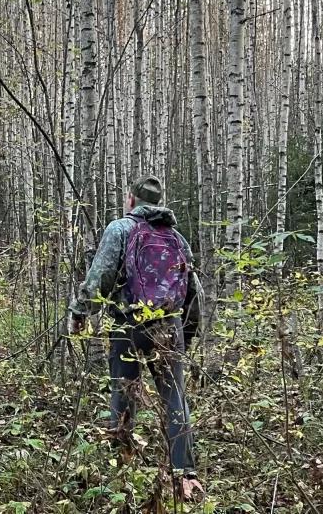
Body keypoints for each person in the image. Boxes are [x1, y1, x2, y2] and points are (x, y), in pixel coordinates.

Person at [68, 175, 204, 501]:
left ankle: (121, 465)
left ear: (131, 199)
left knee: (123, 392)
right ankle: (185, 476)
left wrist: (79, 313)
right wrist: (185, 333)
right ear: (158, 202)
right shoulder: (176, 237)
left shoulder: (120, 229)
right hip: (168, 327)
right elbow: (193, 292)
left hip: (127, 325)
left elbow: (100, 275)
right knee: (175, 398)